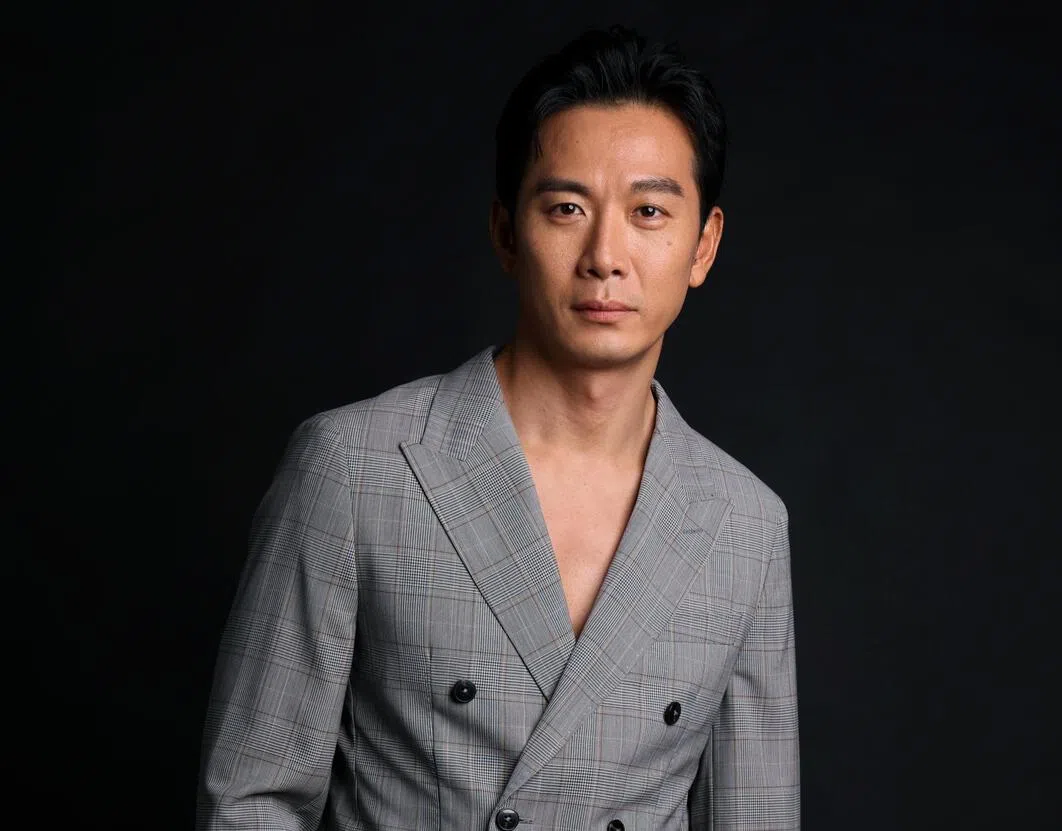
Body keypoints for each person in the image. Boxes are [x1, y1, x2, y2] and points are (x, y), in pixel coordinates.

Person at [196, 23, 799, 831]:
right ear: (508, 231)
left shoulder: (745, 526)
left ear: (703, 245)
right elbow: (252, 803)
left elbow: (755, 816)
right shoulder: (354, 467)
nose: (606, 254)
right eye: (567, 208)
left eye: (649, 210)